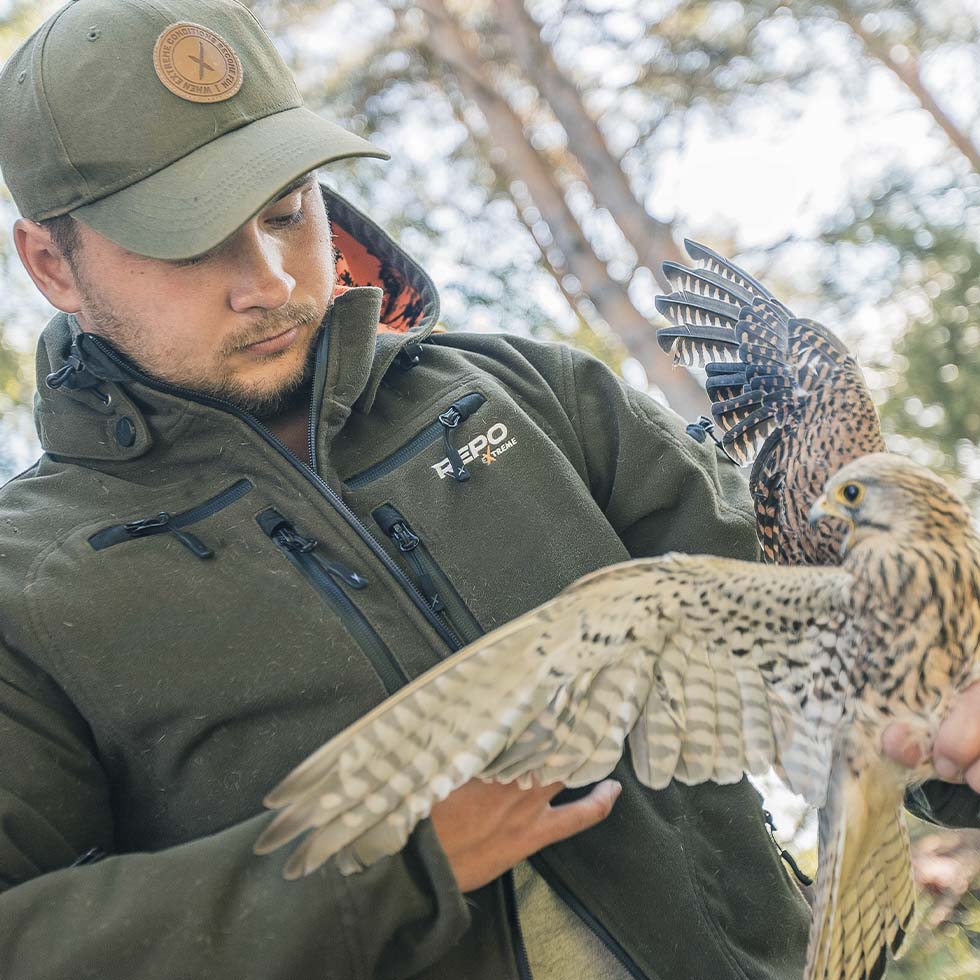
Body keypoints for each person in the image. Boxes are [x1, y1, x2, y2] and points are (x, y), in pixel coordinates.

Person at [0, 2, 976, 978]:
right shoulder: (29, 586)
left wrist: (953, 731)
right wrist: (386, 873)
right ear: (51, 262)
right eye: (186, 242)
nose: (268, 279)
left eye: (285, 212)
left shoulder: (533, 394)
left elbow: (849, 641)